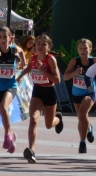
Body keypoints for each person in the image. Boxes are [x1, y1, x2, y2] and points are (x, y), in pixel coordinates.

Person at [15, 35, 63, 163]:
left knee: (48, 124)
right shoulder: (34, 57)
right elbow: (30, 67)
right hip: (37, 91)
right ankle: (31, 150)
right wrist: (20, 77)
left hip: (49, 91)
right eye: (38, 44)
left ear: (49, 47)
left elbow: (58, 80)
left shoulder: (51, 60)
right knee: (34, 119)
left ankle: (58, 119)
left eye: (44, 44)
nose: (40, 47)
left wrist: (44, 71)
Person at [0, 26, 24, 154]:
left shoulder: (14, 49)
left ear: (10, 38)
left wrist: (23, 64)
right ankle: (12, 136)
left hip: (10, 85)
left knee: (4, 107)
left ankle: (7, 135)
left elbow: (22, 52)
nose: (2, 39)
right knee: (2, 111)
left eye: (5, 37)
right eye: (0, 37)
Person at [63, 39, 96, 154]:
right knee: (81, 117)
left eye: (85, 48)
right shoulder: (74, 61)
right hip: (76, 93)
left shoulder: (95, 61)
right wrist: (75, 73)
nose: (83, 51)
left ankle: (82, 142)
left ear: (90, 49)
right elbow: (65, 77)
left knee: (82, 113)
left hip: (90, 93)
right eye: (80, 48)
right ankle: (89, 127)